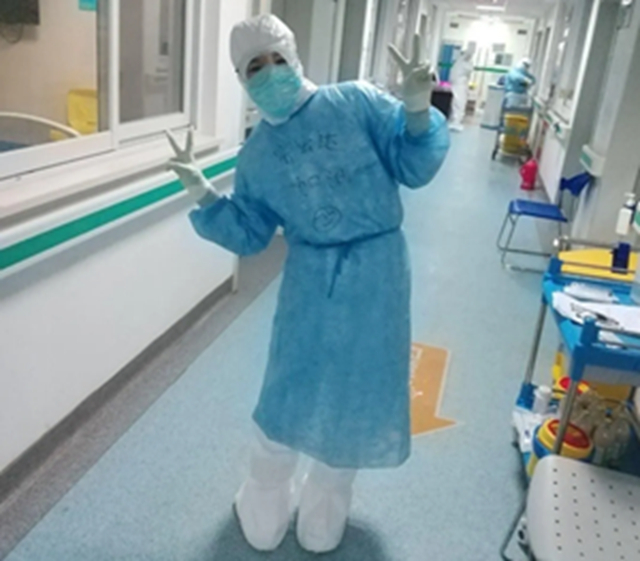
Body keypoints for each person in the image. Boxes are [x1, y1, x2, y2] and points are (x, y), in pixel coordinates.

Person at [166, 14, 450, 554]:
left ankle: (325, 508)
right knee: (289, 384)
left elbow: (413, 164)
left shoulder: (356, 102)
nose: (270, 72)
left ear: (294, 56)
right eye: (255, 66)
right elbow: (250, 231)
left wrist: (417, 111)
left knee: (359, 387)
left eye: (277, 58)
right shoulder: (257, 154)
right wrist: (204, 193)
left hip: (379, 273)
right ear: (241, 78)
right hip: (309, 278)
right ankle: (265, 501)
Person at [448, 49, 475, 132]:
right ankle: (456, 121)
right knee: (459, 104)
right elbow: (470, 69)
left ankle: (456, 121)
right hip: (460, 86)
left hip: (459, 86)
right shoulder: (463, 64)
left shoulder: (458, 63)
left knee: (457, 103)